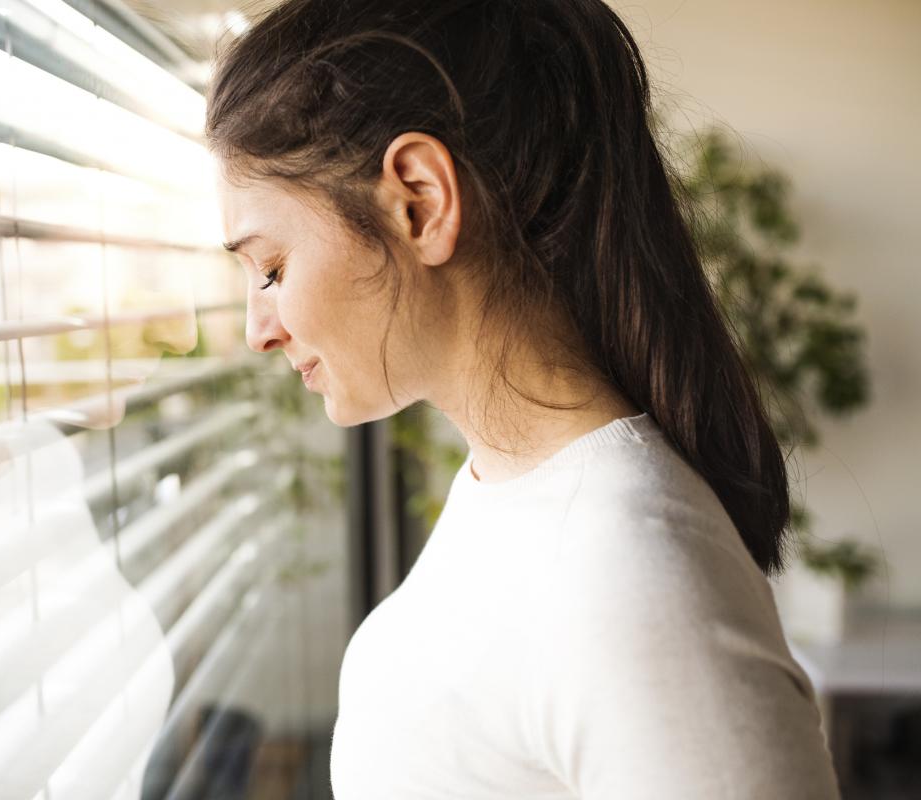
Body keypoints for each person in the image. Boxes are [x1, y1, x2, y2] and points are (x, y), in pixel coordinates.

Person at [205, 0, 843, 797]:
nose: (257, 329)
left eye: (270, 268)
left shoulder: (631, 581)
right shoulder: (515, 488)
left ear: (420, 201)